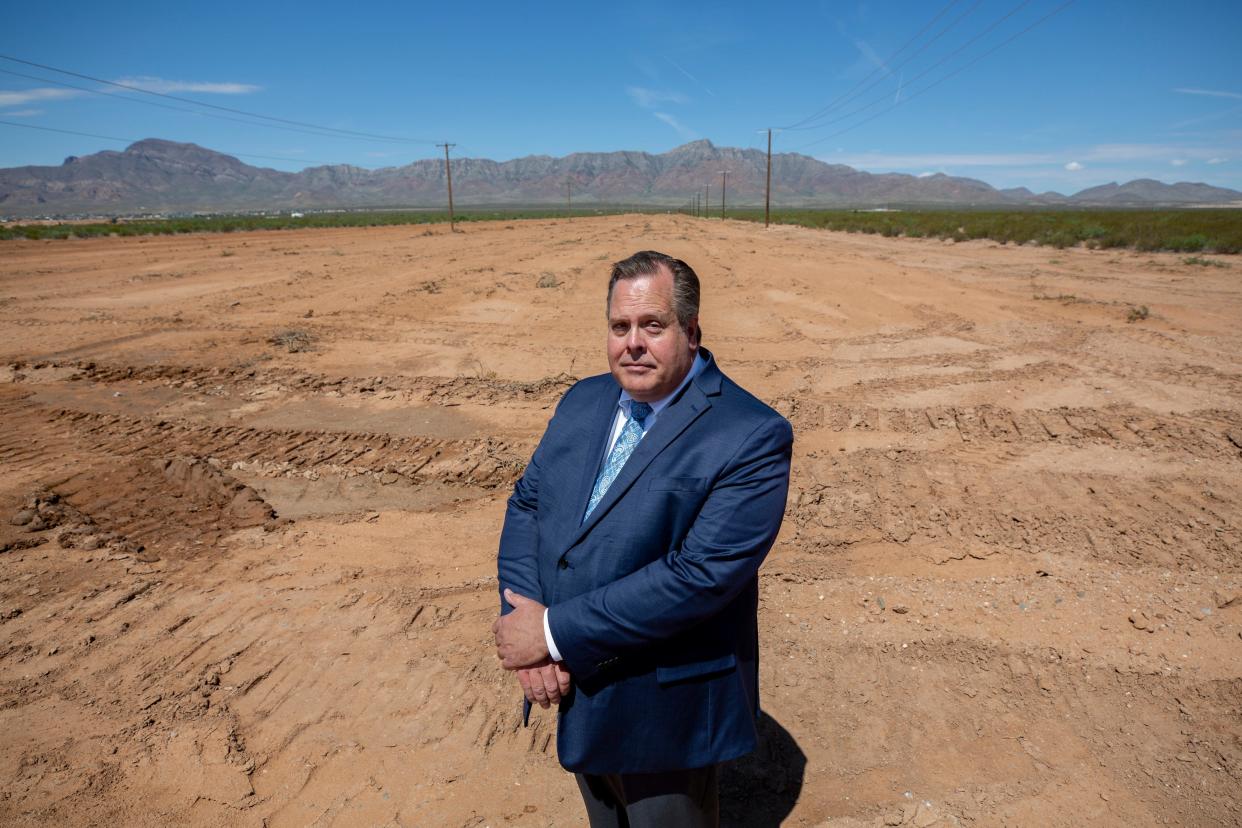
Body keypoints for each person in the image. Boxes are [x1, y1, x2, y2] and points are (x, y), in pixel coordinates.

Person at [492, 250, 793, 827]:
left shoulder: (750, 434)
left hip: (664, 711)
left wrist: (551, 634)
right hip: (580, 686)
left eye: (652, 326)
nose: (633, 343)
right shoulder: (584, 400)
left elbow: (699, 576)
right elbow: (529, 504)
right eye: (619, 326)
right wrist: (528, 615)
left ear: (691, 330)